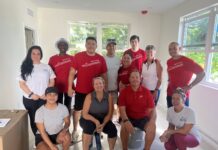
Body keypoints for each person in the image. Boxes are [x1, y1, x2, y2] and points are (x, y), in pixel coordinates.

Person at [68, 36, 108, 142]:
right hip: (81, 90)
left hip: (96, 91)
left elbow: (104, 75)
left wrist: (105, 89)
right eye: (88, 43)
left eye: (93, 44)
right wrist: (69, 87)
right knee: (77, 110)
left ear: (96, 46)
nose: (91, 45)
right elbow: (72, 73)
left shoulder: (100, 58)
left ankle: (97, 130)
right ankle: (75, 130)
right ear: (85, 45)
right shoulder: (78, 56)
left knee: (96, 112)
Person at [18, 45, 55, 136]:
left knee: (45, 119)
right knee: (34, 119)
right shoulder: (24, 67)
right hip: (30, 99)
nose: (36, 55)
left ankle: (46, 137)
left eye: (38, 53)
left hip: (44, 98)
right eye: (33, 53)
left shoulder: (47, 67)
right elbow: (22, 84)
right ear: (29, 55)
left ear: (41, 55)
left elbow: (52, 80)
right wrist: (31, 94)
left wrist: (46, 94)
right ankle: (38, 139)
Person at [118, 70, 156, 150]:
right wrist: (125, 120)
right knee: (124, 127)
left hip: (143, 118)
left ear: (140, 79)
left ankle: (146, 148)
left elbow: (153, 109)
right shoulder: (124, 92)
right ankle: (124, 148)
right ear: (129, 79)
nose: (135, 79)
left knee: (152, 127)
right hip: (129, 117)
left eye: (137, 77)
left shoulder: (146, 92)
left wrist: (152, 121)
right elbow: (122, 109)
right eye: (132, 77)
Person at [80, 77, 117, 150]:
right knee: (88, 127)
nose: (98, 85)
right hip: (88, 119)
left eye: (100, 83)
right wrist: (96, 121)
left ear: (103, 84)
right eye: (96, 84)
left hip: (103, 119)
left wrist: (103, 124)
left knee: (113, 129)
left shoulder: (109, 96)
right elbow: (84, 114)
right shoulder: (89, 96)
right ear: (93, 86)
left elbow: (109, 114)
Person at [167, 42, 205, 107]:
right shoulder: (169, 61)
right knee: (171, 114)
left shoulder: (187, 61)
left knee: (183, 116)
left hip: (182, 95)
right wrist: (169, 80)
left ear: (180, 49)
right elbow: (170, 72)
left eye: (174, 48)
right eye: (170, 49)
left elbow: (202, 73)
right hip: (170, 93)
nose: (172, 51)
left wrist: (190, 86)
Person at [48, 38, 74, 113]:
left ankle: (67, 122)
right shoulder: (52, 59)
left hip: (69, 86)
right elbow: (49, 73)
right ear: (58, 46)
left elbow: (76, 71)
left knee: (68, 105)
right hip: (57, 86)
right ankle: (59, 122)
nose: (63, 46)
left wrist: (72, 79)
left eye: (65, 45)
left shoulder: (72, 58)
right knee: (58, 104)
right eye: (60, 44)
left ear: (67, 47)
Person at [104, 39, 120, 120]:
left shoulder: (119, 60)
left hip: (114, 90)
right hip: (104, 90)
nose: (111, 47)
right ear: (106, 47)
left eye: (113, 46)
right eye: (109, 46)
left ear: (115, 48)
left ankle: (110, 123)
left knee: (112, 108)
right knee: (104, 109)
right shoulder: (102, 59)